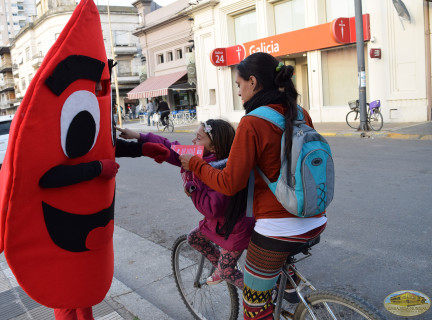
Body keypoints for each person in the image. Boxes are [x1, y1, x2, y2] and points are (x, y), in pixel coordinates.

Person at [179, 52, 327, 320]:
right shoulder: (300, 112)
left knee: (254, 306)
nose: (238, 92)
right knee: (268, 270)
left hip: (279, 227)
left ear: (253, 82)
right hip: (315, 216)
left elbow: (228, 183)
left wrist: (196, 166)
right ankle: (291, 286)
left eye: (239, 85)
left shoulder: (253, 122)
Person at [117, 120, 255, 289]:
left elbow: (212, 208)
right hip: (221, 225)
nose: (193, 141)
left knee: (227, 272)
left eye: (198, 138)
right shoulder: (198, 156)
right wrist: (138, 136)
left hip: (235, 229)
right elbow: (170, 147)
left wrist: (192, 190)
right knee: (194, 238)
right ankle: (223, 264)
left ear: (214, 148)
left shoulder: (220, 169)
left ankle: (260, 296)